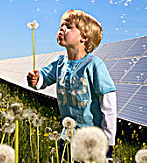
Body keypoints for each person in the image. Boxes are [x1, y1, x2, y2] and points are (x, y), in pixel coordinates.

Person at [27, 9, 117, 160]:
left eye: (68, 27)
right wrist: (36, 80)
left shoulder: (94, 65)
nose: (61, 29)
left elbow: (108, 103)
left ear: (84, 37)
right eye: (61, 26)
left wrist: (108, 139)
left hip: (92, 140)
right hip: (67, 137)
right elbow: (44, 77)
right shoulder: (60, 63)